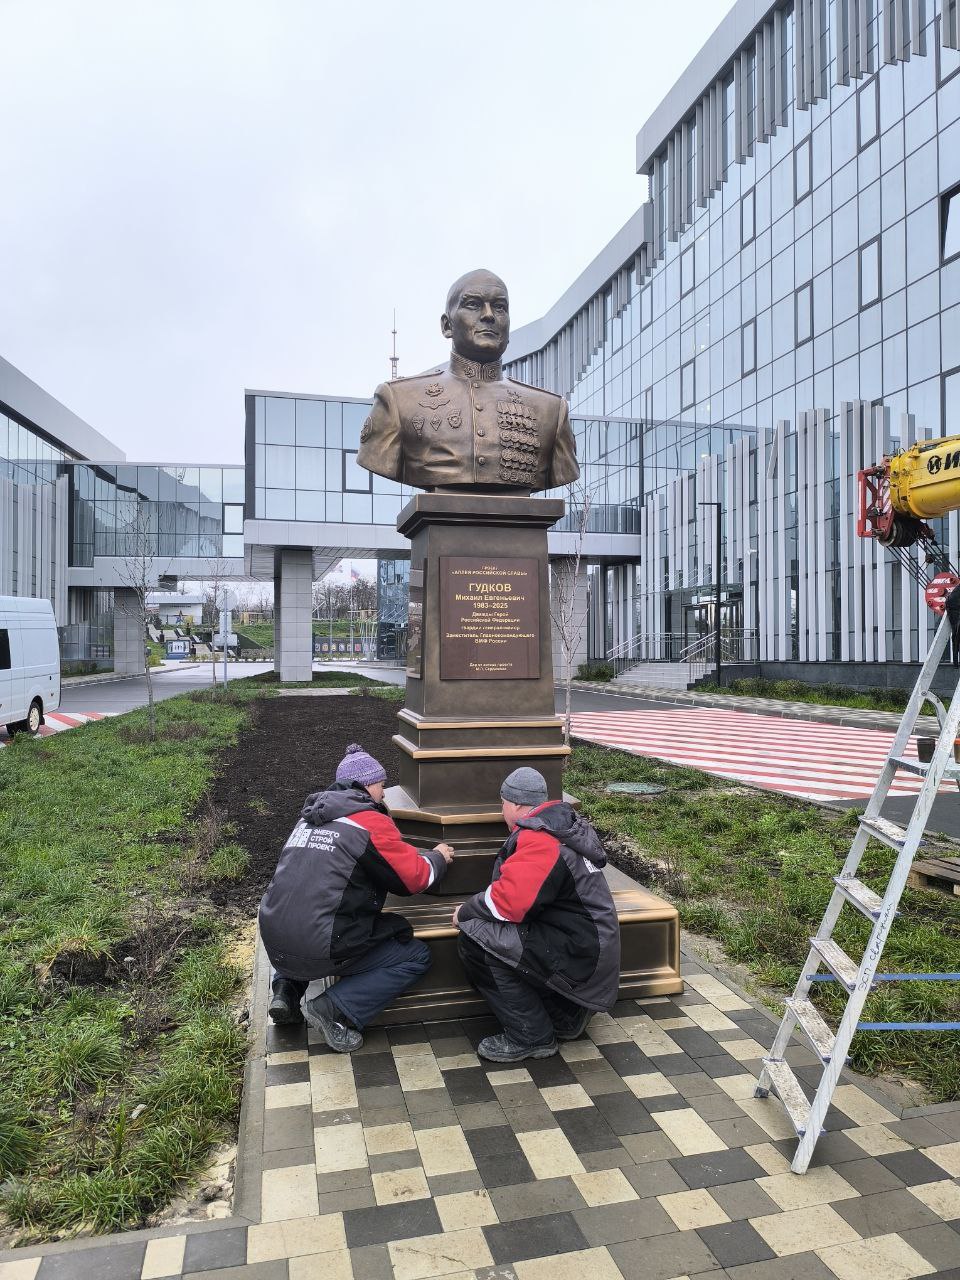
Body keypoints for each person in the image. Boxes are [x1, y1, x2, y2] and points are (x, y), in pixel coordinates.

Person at [258, 743, 454, 1051]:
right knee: (415, 955)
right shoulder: (368, 822)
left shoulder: (310, 818)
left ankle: (285, 991)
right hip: (318, 944)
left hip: (273, 937)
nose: (384, 792)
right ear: (366, 787)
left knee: (302, 914)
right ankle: (332, 1009)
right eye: (381, 784)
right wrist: (438, 857)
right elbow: (413, 878)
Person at [356, 269, 579, 493]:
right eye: (473, 304)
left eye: (500, 307)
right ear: (447, 326)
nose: (489, 315)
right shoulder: (397, 400)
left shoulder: (551, 410)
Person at [454, 767, 620, 1062]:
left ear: (516, 804)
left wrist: (465, 912)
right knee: (509, 940)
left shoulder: (540, 839)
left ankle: (531, 1036)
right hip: (588, 949)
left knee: (476, 939)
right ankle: (566, 1015)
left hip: (581, 954)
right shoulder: (560, 827)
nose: (501, 810)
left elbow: (509, 904)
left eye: (502, 803)